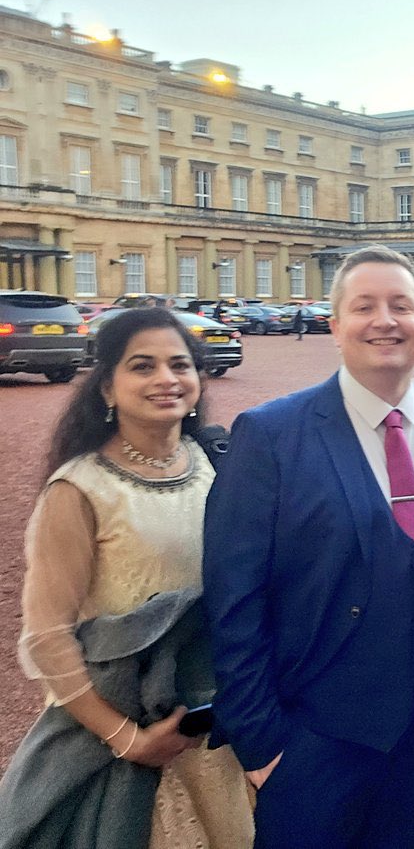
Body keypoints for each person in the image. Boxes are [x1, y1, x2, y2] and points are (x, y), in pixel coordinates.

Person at [203, 244, 414, 849]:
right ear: (334, 326)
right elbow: (233, 597)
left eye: (401, 305)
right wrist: (260, 744)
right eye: (364, 306)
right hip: (309, 740)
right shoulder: (271, 434)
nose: (385, 321)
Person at [12, 308, 253, 848]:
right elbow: (48, 638)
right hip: (124, 734)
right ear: (106, 388)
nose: (166, 379)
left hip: (212, 728)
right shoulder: (80, 490)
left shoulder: (217, 464)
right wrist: (129, 741)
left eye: (180, 365)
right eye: (143, 366)